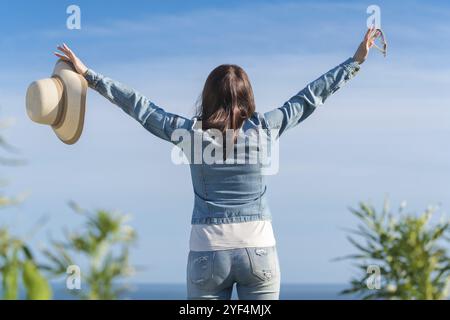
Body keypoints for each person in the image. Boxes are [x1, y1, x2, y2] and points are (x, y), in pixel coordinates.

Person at [54, 27, 377, 300]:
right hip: (259, 250)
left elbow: (141, 108)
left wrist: (91, 77)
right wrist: (355, 62)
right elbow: (309, 98)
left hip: (207, 253)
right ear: (248, 96)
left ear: (208, 96)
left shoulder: (191, 133)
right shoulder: (264, 128)